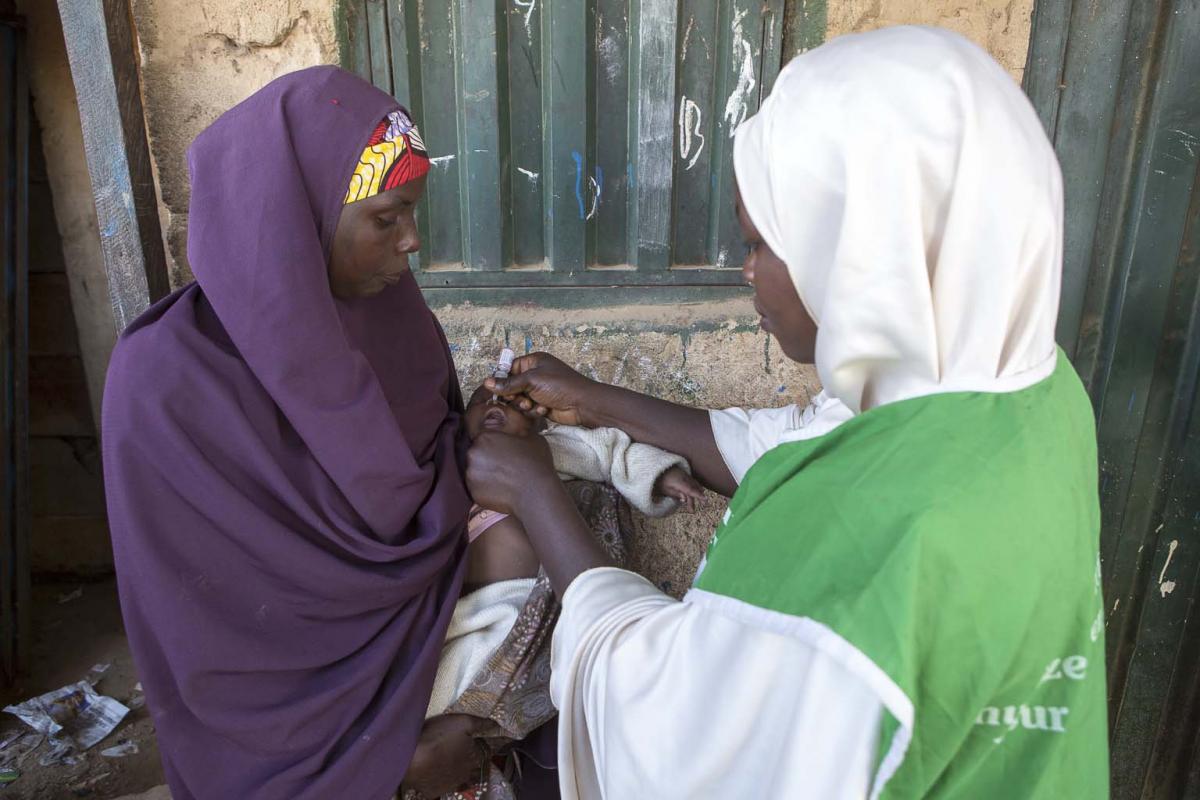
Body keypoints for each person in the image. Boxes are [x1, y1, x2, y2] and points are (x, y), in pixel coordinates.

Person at [467, 26, 1109, 798]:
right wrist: (593, 400)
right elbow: (804, 442)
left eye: (759, 245)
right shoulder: (1028, 393)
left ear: (861, 250)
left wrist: (535, 492)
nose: (748, 276)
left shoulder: (868, 542)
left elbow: (664, 728)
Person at [100, 67, 536, 799]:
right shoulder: (162, 381)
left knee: (543, 527)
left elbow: (423, 478)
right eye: (387, 218)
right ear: (293, 213)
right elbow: (195, 625)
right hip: (271, 697)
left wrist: (481, 432)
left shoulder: (396, 323)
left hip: (401, 608)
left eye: (413, 216)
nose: (412, 243)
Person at [407, 383, 702, 799]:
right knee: (444, 682)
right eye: (482, 401)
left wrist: (662, 475)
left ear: (539, 420)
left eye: (514, 405)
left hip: (529, 608)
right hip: (475, 613)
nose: (497, 406)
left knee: (524, 684)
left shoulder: (551, 450)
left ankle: (469, 737)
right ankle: (452, 736)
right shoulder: (450, 466)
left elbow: (612, 452)